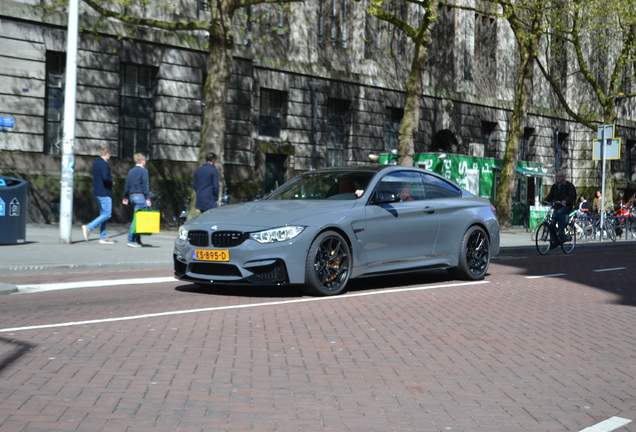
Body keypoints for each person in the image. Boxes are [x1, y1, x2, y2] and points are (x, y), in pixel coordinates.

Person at [82, 147, 115, 244]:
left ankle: (103, 236)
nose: (110, 156)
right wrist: (111, 183)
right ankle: (89, 227)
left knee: (103, 214)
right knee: (107, 214)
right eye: (109, 154)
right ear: (107, 154)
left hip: (97, 191)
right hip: (104, 192)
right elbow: (105, 178)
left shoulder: (95, 163)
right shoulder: (104, 163)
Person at [122, 153, 152, 248]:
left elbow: (127, 185)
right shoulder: (144, 171)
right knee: (137, 219)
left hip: (132, 196)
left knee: (139, 218)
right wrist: (147, 198)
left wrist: (125, 197)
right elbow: (145, 185)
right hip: (140, 196)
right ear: (143, 161)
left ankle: (137, 240)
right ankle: (130, 240)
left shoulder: (131, 171)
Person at [542, 171, 576, 248]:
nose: (558, 178)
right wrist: (545, 201)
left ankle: (561, 232)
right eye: (557, 176)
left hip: (566, 206)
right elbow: (550, 196)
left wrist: (565, 200)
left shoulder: (569, 186)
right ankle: (555, 241)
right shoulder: (554, 186)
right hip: (557, 207)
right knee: (551, 224)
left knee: (560, 212)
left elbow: (571, 196)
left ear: (564, 177)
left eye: (560, 176)